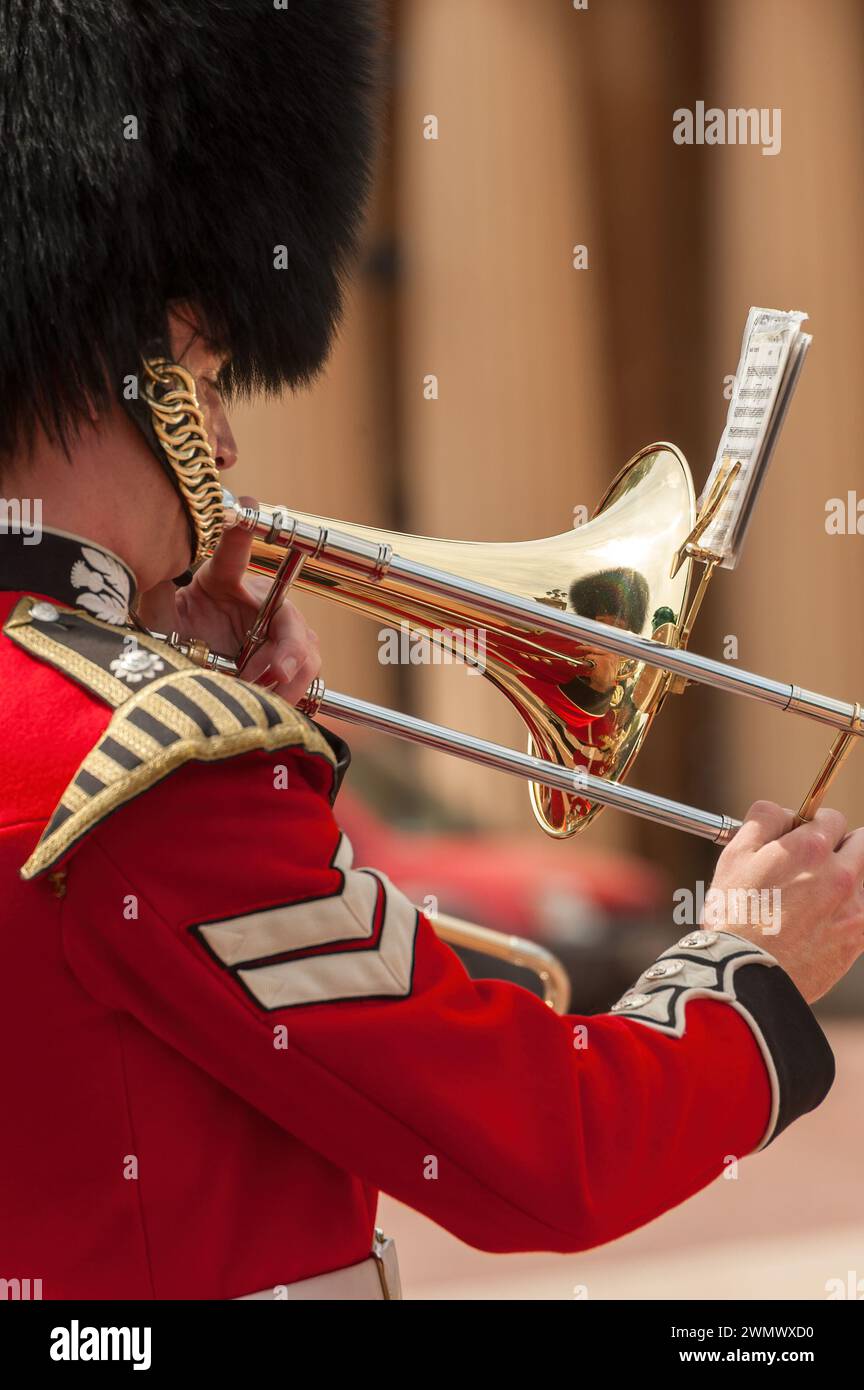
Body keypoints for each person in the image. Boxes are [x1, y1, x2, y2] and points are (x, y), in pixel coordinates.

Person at [1, 0, 862, 1302]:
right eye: (216, 372)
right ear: (125, 364)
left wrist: (207, 692)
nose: (228, 444)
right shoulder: (140, 766)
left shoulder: (104, 727)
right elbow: (544, 1148)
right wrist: (746, 966)